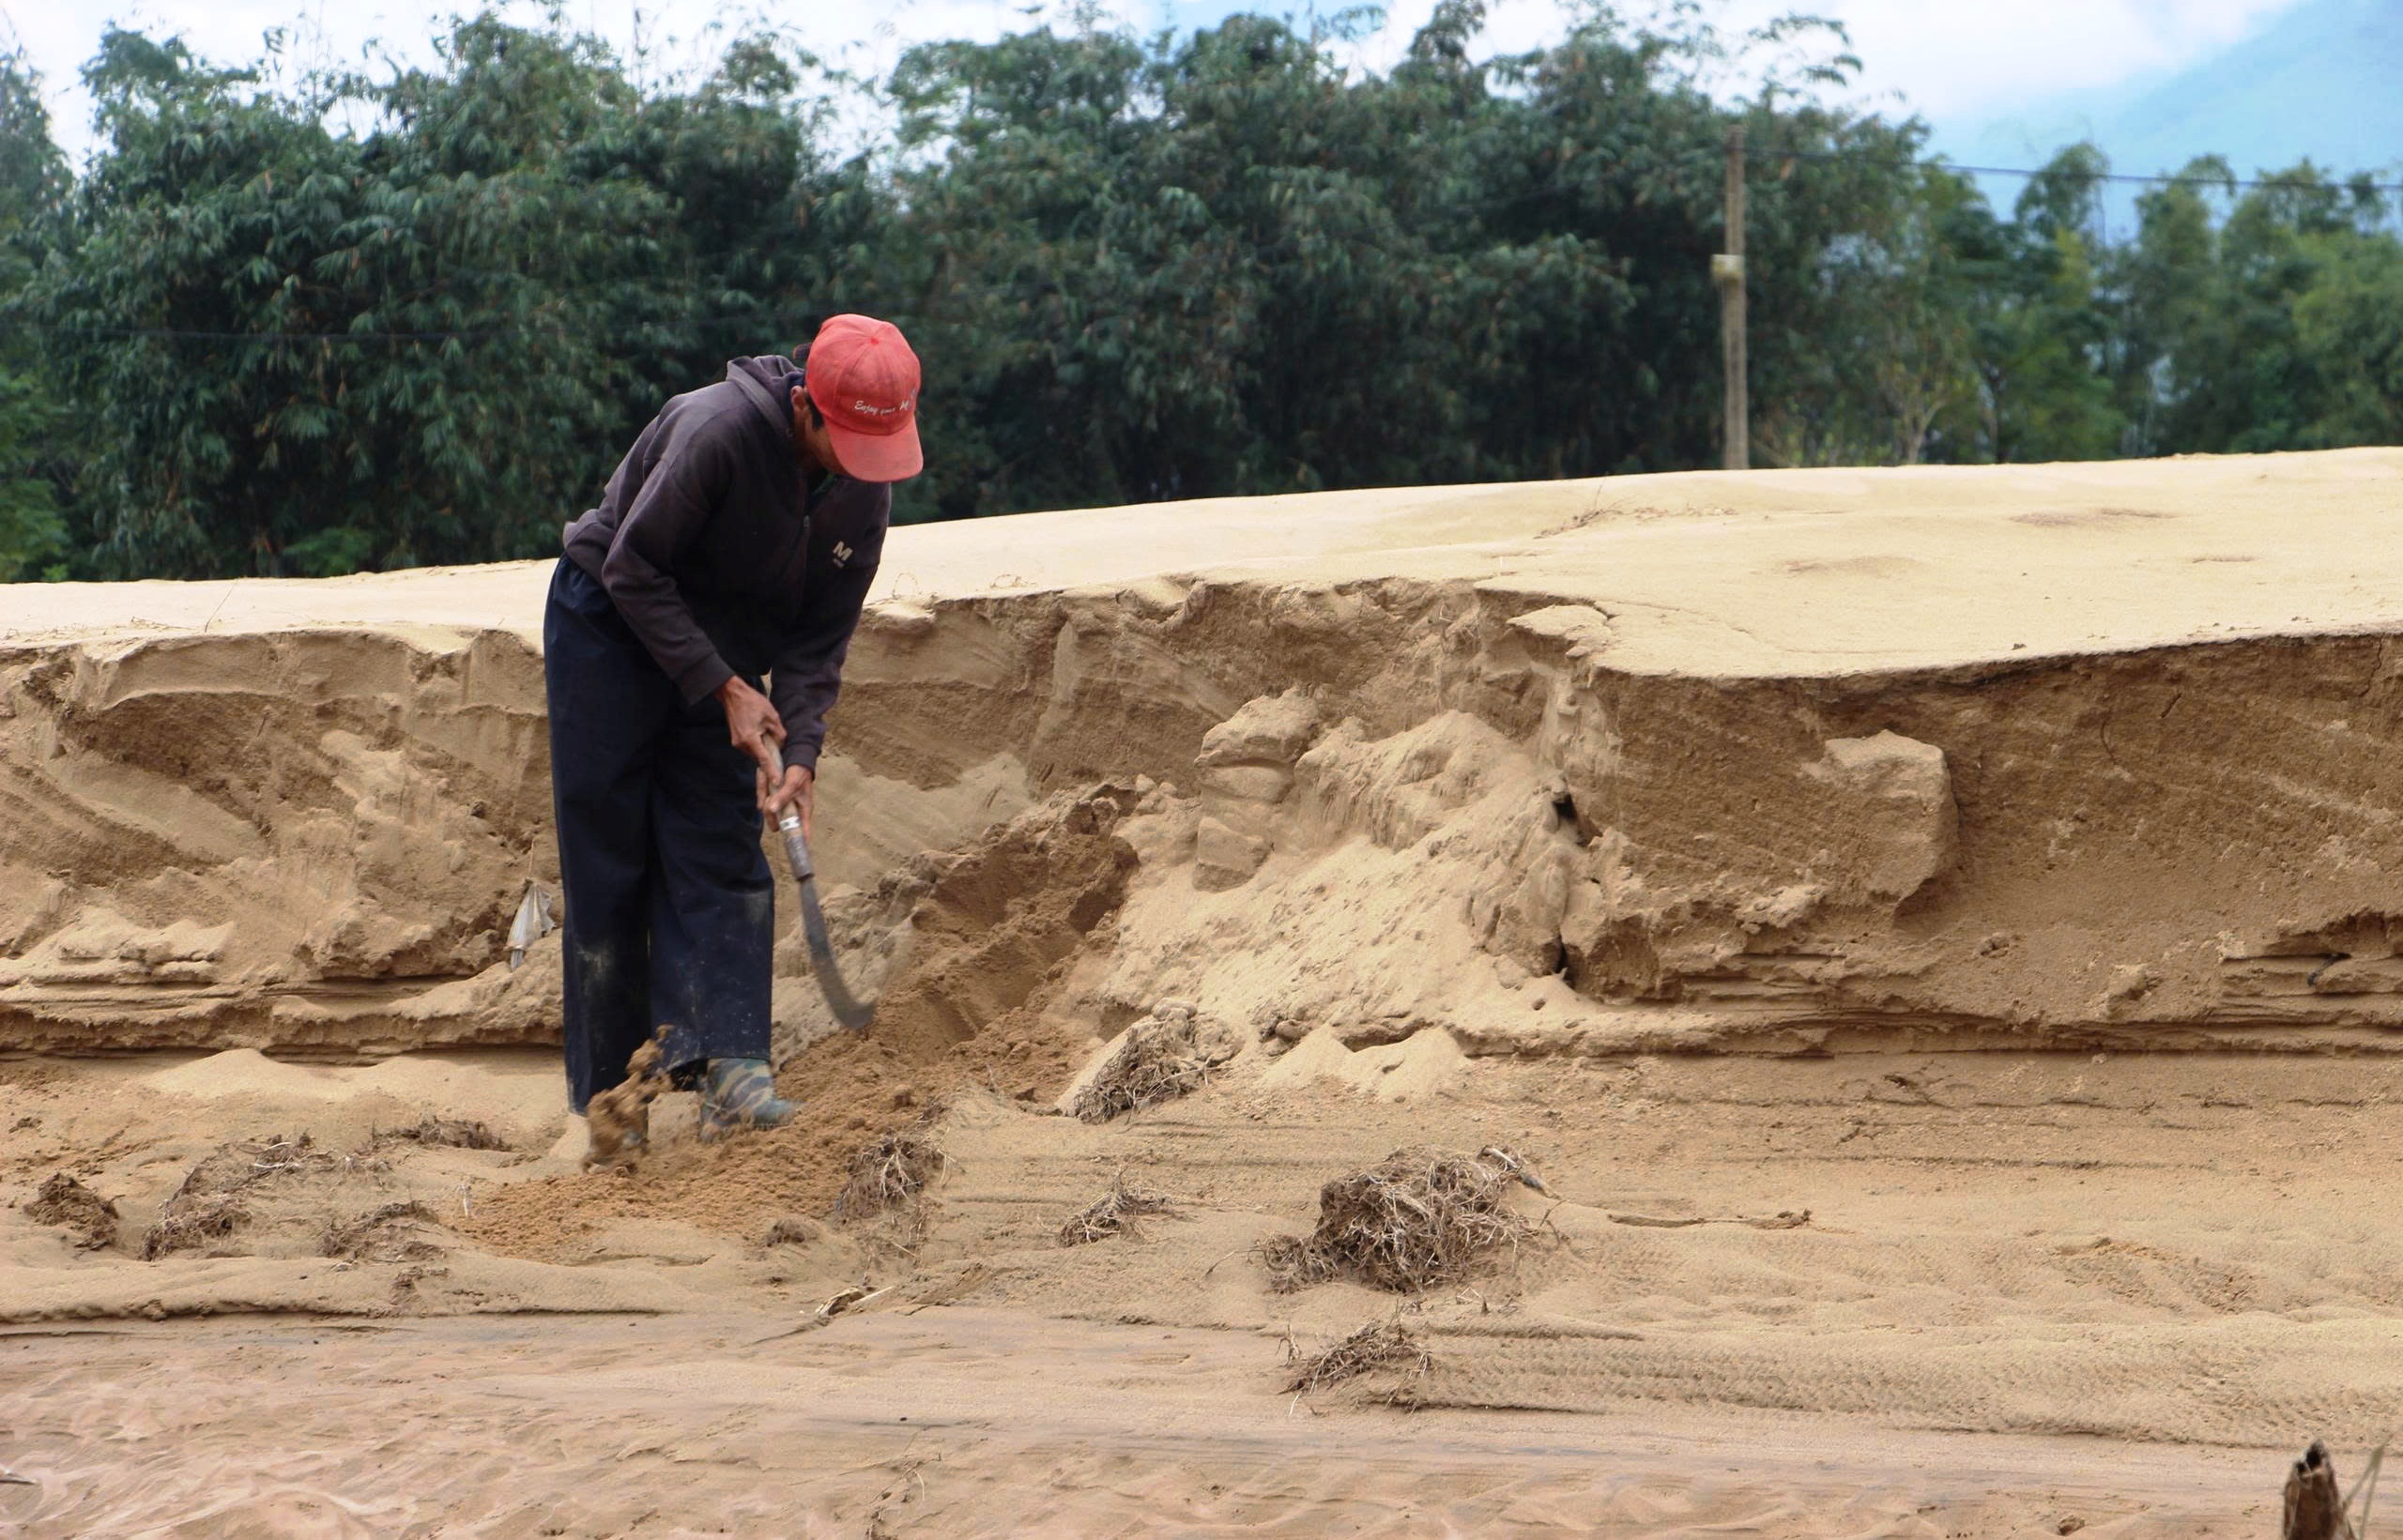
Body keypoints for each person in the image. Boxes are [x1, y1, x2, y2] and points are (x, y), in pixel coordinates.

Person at [543, 313, 921, 1145]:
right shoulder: (714, 428)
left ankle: (734, 1071)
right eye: (848, 441)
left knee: (721, 843)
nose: (864, 468)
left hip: (728, 647)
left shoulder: (864, 493)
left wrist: (804, 756)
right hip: (611, 623)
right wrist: (724, 689)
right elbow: (631, 565)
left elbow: (821, 640)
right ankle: (612, 1098)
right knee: (610, 859)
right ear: (805, 408)